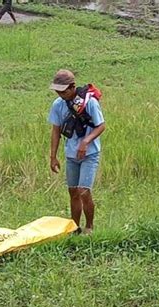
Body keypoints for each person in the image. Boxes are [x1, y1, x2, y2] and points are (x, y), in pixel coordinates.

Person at [49, 70, 106, 235]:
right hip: (71, 155)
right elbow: (56, 131)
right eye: (57, 91)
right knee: (73, 191)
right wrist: (53, 156)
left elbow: (101, 125)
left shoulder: (90, 103)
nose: (60, 94)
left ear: (72, 87)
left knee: (84, 190)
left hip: (90, 154)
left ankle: (89, 227)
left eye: (63, 90)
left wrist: (86, 141)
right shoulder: (58, 105)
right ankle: (74, 227)